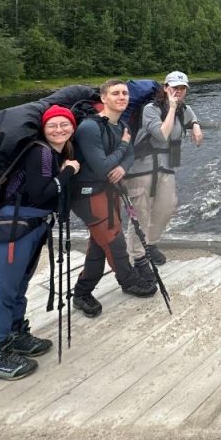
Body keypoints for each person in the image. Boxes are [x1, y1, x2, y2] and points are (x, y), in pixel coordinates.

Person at [0, 105, 80, 381]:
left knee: (17, 286)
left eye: (65, 124)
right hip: (10, 231)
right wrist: (68, 172)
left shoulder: (53, 153)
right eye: (52, 125)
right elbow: (41, 192)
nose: (59, 130)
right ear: (43, 129)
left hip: (27, 229)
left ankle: (14, 335)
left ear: (73, 127)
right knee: (1, 290)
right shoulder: (42, 153)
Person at [70, 78, 157, 318]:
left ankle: (82, 292)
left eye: (125, 94)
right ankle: (128, 281)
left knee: (100, 243)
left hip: (109, 190)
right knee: (112, 238)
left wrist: (122, 167)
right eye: (116, 93)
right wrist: (123, 149)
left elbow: (129, 154)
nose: (122, 97)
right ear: (103, 98)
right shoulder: (90, 128)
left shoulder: (120, 126)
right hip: (88, 192)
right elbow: (101, 167)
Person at [123, 71, 203, 273]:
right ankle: (137, 257)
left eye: (182, 88)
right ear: (165, 88)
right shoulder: (151, 109)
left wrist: (195, 126)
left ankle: (150, 244)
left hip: (166, 166)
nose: (179, 92)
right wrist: (172, 108)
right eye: (175, 87)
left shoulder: (183, 108)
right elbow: (161, 135)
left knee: (166, 208)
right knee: (140, 213)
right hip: (141, 167)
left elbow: (190, 117)